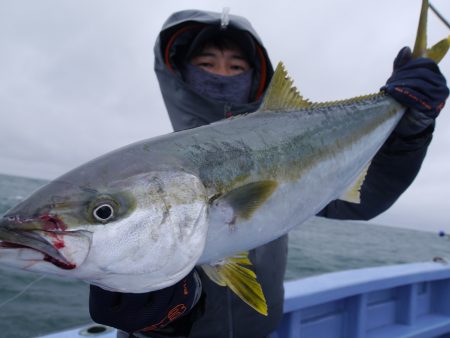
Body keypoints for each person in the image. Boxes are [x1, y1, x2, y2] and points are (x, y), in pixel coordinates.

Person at [89, 9, 449, 338]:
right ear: (181, 74)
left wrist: (410, 131)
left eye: (235, 67)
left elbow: (363, 200)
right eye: (207, 62)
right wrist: (158, 318)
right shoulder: (150, 171)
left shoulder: (292, 144)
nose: (221, 75)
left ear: (256, 77)